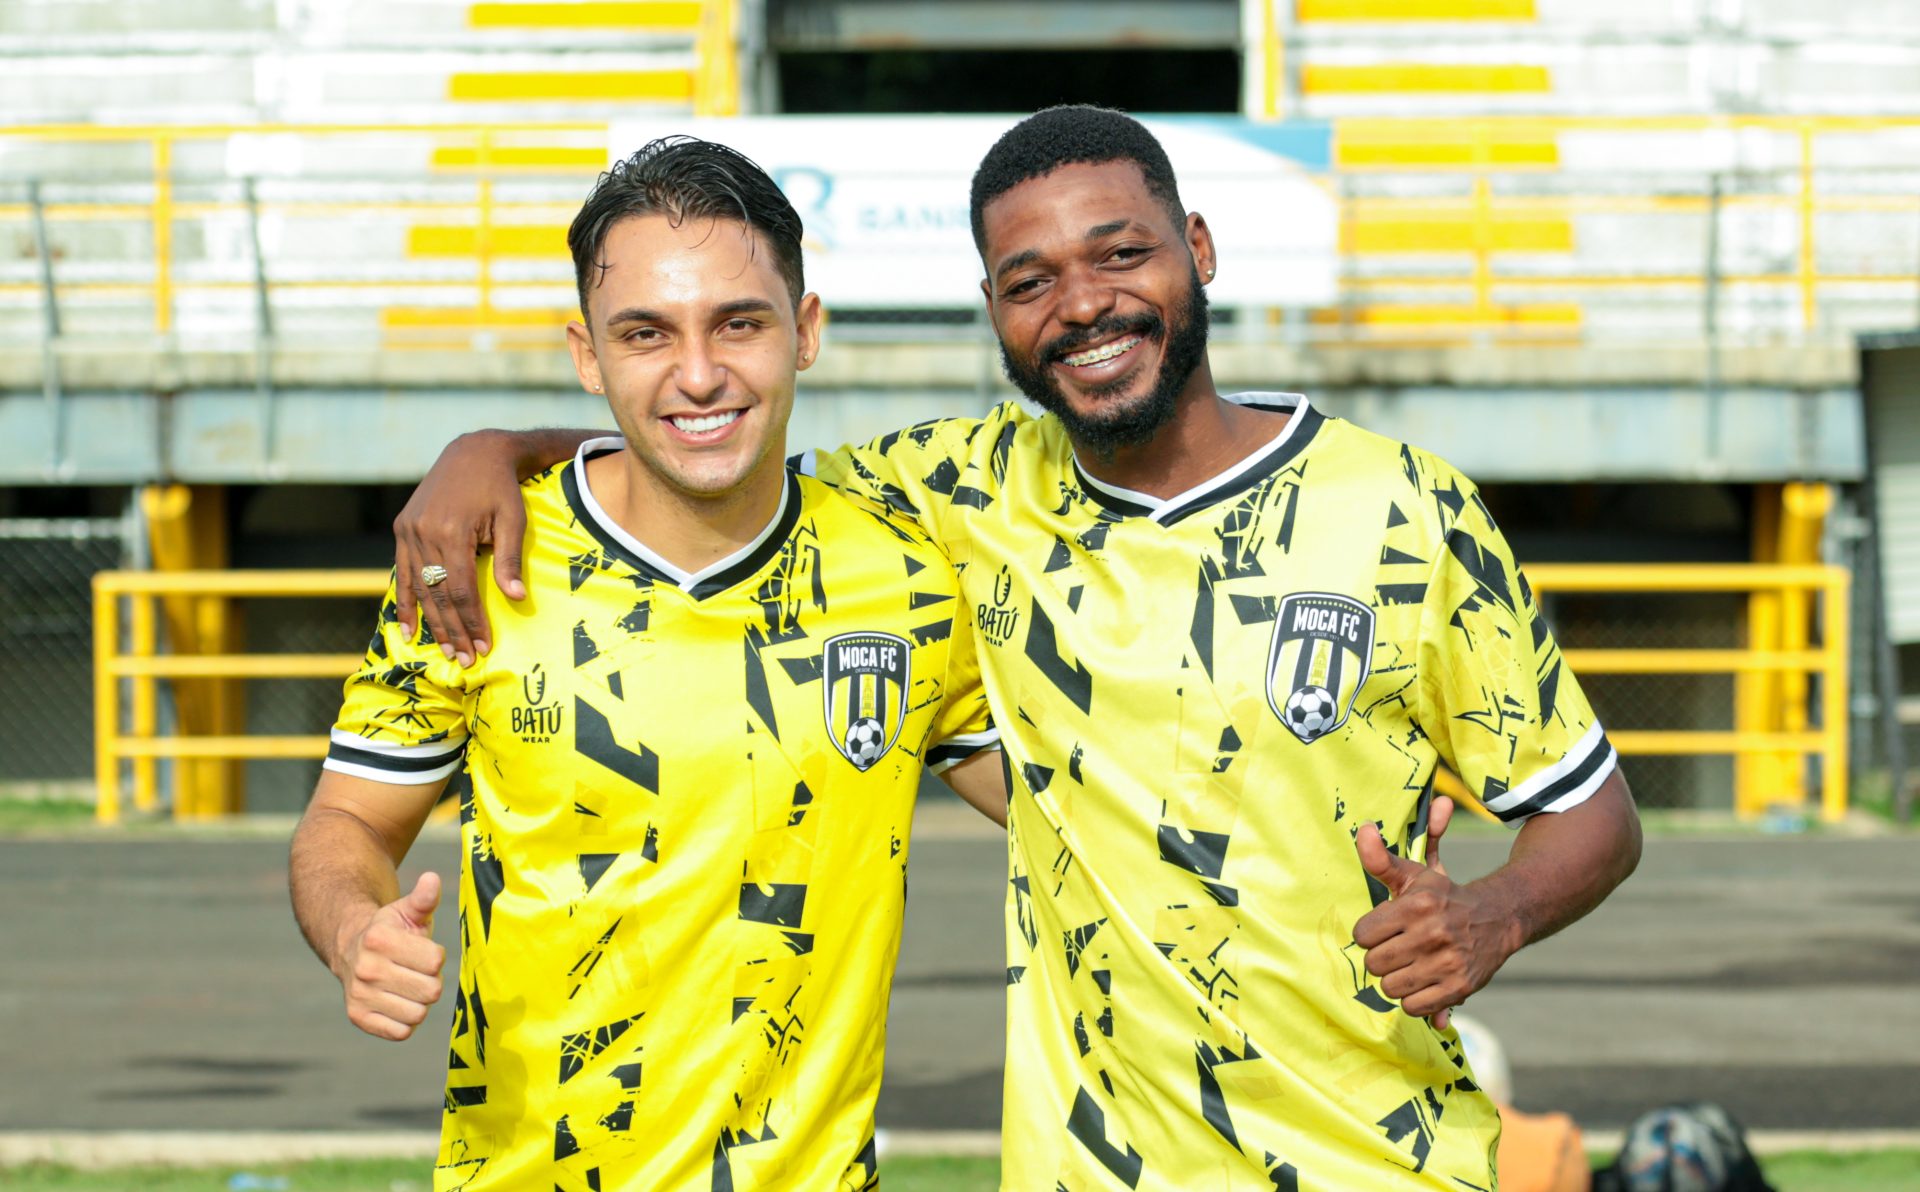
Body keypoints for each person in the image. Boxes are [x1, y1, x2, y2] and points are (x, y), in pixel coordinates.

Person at [396, 106, 1643, 1190]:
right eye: (1030, 279)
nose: (1083, 303)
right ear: (994, 310)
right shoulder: (954, 491)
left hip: (1379, 1157)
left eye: (1121, 253)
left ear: (1198, 250)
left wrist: (1495, 913)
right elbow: (707, 431)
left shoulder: (1406, 506)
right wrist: (491, 450)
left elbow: (1594, 811)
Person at [290, 136, 1004, 1191]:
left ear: (806, 330)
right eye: (646, 334)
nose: (699, 372)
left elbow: (1067, 806)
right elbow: (347, 821)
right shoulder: (472, 568)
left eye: (740, 323)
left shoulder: (908, 575)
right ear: (588, 356)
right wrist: (354, 928)